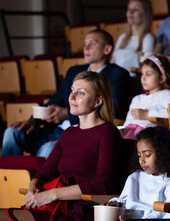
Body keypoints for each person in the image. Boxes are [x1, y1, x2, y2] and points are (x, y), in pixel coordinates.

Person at [0, 71, 122, 221]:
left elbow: (102, 184)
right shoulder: (69, 133)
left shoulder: (108, 132)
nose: (71, 97)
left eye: (81, 93)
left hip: (82, 209)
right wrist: (32, 190)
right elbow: (43, 173)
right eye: (72, 91)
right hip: (56, 206)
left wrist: (52, 195)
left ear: (98, 101)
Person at [1, 29, 131, 157]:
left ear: (107, 49)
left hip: (84, 134)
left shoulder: (118, 75)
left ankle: (36, 178)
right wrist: (33, 121)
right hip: (56, 130)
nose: (86, 48)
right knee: (11, 133)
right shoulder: (74, 71)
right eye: (85, 44)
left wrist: (66, 114)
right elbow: (56, 100)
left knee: (49, 149)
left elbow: (111, 109)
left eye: (92, 43)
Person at [107, 126, 170, 219]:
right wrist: (115, 204)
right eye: (139, 155)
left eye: (147, 155)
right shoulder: (134, 177)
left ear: (162, 153)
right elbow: (123, 201)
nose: (141, 160)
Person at [121, 56, 170, 140]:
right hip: (132, 135)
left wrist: (147, 114)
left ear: (161, 78)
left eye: (148, 74)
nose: (143, 78)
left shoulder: (165, 95)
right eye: (142, 74)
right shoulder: (137, 99)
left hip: (152, 137)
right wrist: (123, 130)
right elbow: (129, 121)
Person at [111, 0, 155, 76]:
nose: (130, 12)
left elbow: (146, 66)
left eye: (135, 9)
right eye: (129, 9)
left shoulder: (148, 38)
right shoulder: (122, 37)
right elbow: (112, 61)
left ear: (145, 14)